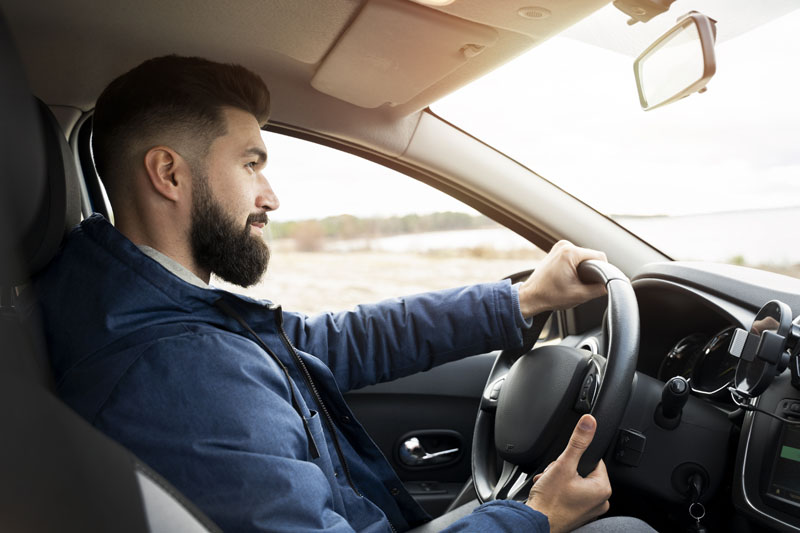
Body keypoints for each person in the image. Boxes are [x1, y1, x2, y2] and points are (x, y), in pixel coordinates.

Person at [33, 56, 654, 533]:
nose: (270, 196)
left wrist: (518, 300)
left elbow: (328, 341)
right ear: (168, 174)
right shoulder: (177, 372)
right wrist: (534, 518)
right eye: (251, 164)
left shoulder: (146, 305)